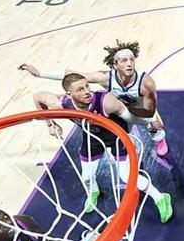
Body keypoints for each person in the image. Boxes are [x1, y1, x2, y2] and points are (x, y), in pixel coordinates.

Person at [32, 73, 173, 223]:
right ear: (69, 94)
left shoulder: (106, 102)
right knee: (86, 177)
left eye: (87, 86)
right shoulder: (64, 104)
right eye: (80, 89)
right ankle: (93, 191)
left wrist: (150, 124)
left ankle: (160, 197)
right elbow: (38, 97)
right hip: (92, 138)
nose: (87, 91)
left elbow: (131, 117)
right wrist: (50, 125)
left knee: (126, 177)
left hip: (117, 137)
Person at [18, 39, 170, 157]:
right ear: (115, 64)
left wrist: (149, 121)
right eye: (124, 61)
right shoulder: (105, 78)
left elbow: (149, 111)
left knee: (154, 126)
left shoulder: (146, 82)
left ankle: (159, 139)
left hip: (141, 109)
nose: (129, 64)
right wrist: (39, 73)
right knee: (121, 135)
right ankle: (127, 147)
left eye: (132, 60)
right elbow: (75, 75)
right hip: (119, 110)